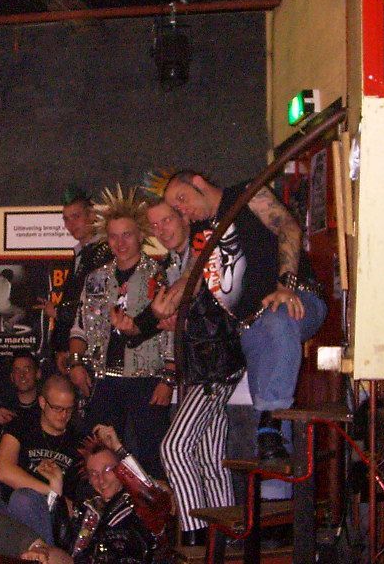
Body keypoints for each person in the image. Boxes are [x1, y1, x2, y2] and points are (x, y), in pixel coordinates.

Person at [159, 170, 327, 460]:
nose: (182, 210)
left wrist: (285, 286)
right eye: (177, 208)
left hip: (296, 301)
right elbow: (190, 278)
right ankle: (272, 445)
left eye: (182, 199)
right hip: (254, 325)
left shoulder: (246, 194)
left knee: (277, 319)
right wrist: (161, 309)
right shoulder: (201, 230)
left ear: (198, 182)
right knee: (269, 429)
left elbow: (289, 227)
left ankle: (271, 422)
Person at [124, 199, 239, 547]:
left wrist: (156, 325)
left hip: (214, 368)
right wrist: (142, 328)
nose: (161, 230)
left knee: (174, 448)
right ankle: (225, 538)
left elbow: (223, 311)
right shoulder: (174, 263)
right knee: (209, 458)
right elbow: (168, 314)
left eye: (167, 220)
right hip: (201, 369)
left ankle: (193, 537)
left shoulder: (204, 256)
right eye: (154, 225)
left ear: (184, 218)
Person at [67, 185, 173, 477]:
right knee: (97, 454)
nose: (120, 242)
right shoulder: (95, 278)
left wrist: (168, 379)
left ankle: (155, 505)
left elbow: (172, 331)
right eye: (113, 236)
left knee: (151, 458)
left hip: (146, 380)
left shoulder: (159, 276)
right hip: (104, 380)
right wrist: (76, 364)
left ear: (140, 236)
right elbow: (80, 326)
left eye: (127, 235)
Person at [0, 374, 81, 544]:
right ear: (42, 402)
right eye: (57, 408)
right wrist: (51, 492)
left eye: (69, 409)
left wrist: (57, 500)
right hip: (15, 507)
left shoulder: (77, 440)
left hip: (55, 518)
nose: (64, 415)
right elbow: (4, 470)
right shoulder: (21, 426)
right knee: (19, 499)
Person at [38, 185, 113, 374]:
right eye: (66, 219)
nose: (71, 224)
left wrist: (58, 313)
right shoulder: (83, 253)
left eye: (76, 216)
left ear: (91, 215)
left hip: (91, 352)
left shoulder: (103, 252)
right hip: (76, 348)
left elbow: (93, 306)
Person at [71, 425, 172, 564]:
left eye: (108, 469)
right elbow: (72, 552)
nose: (101, 480)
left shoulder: (139, 505)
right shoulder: (88, 510)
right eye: (94, 474)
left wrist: (119, 449)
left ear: (121, 469)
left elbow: (150, 495)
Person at [0, 350, 42, 435]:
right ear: (12, 377)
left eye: (27, 370)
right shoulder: (2, 407)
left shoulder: (47, 407)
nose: (22, 375)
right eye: (17, 370)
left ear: (38, 374)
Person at [0, 269, 25, 333]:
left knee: (6, 310)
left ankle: (6, 327)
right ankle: (9, 324)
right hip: (1, 307)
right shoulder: (7, 283)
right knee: (21, 312)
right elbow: (5, 297)